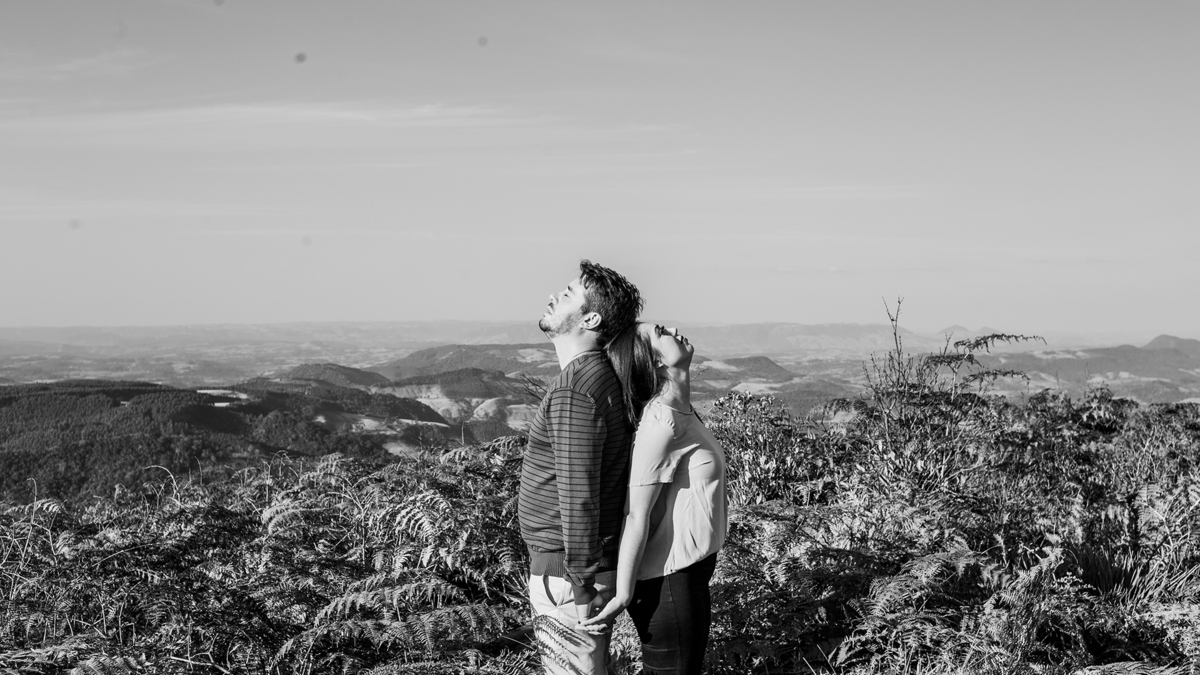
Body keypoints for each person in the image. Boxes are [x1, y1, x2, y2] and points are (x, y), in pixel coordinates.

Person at [579, 322, 728, 675]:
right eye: (662, 332)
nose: (674, 328)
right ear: (654, 361)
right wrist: (623, 594)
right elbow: (636, 514)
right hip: (667, 583)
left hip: (687, 575)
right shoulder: (661, 423)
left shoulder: (682, 411)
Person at [518, 260, 643, 675]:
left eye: (569, 294)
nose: (554, 296)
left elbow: (579, 498)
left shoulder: (576, 389)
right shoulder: (599, 377)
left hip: (568, 578)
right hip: (579, 571)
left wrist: (581, 585)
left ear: (590, 319)